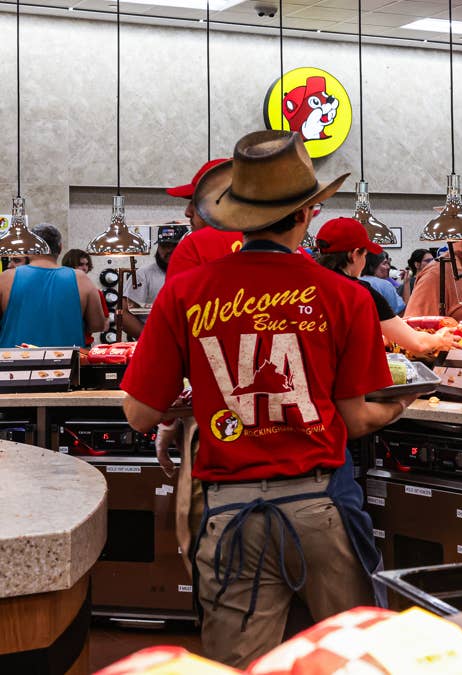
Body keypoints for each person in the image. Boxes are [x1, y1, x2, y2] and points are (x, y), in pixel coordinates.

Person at [121, 130, 419, 668]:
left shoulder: (184, 292)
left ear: (235, 215)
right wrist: (405, 401)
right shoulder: (346, 296)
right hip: (322, 507)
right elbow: (355, 419)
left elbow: (141, 413)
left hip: (229, 514)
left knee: (239, 665)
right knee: (351, 660)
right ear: (306, 213)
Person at [316, 218, 452, 355]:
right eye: (364, 255)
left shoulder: (310, 287)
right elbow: (418, 344)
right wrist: (439, 338)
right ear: (354, 255)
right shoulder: (359, 292)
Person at [0, 223, 106, 348]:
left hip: (14, 358)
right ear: (60, 248)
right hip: (66, 359)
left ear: (28, 247)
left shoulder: (6, 278)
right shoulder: (81, 279)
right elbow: (98, 325)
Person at [165, 158, 246, 278]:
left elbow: (176, 290)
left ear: (219, 200)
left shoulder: (194, 246)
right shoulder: (269, 240)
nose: (187, 212)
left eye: (195, 201)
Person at [122, 225, 185, 337]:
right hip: (158, 339)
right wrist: (150, 339)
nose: (169, 250)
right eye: (164, 246)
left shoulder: (198, 273)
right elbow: (124, 313)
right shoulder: (143, 275)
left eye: (175, 245)